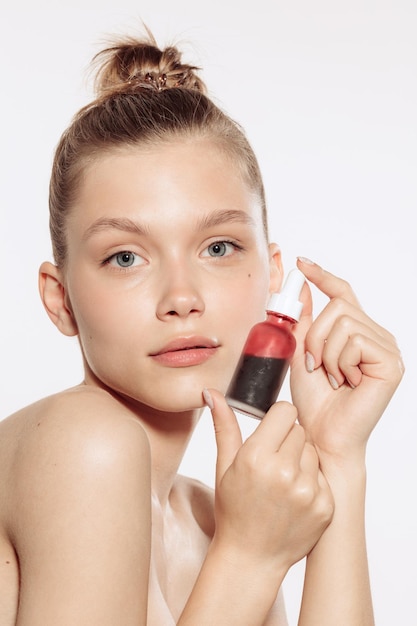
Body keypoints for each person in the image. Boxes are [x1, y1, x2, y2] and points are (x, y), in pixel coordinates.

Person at [0, 29, 403, 626]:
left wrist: (338, 461)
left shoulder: (213, 514)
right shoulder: (83, 443)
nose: (182, 298)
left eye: (218, 247)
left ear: (270, 275)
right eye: (126, 257)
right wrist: (248, 559)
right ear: (60, 300)